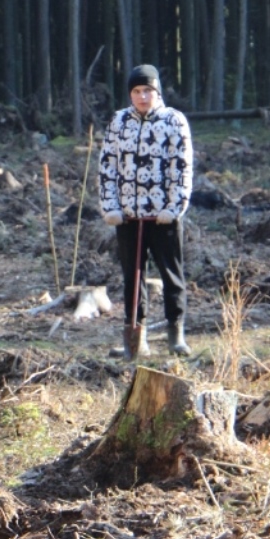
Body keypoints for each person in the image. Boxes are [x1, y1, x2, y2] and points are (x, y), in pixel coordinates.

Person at [98, 64, 193, 359]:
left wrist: (174, 207)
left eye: (147, 91)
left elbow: (183, 167)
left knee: (171, 275)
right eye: (137, 91)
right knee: (133, 277)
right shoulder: (118, 122)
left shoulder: (173, 121)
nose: (142, 97)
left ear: (157, 92)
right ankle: (135, 336)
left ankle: (175, 334)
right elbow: (107, 166)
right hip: (128, 216)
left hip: (162, 216)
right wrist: (111, 207)